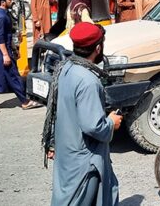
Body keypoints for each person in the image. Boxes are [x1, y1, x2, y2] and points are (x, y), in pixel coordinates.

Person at [44, 22, 122, 205]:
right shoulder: (88, 80)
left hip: (67, 154)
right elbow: (93, 126)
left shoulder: (65, 68)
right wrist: (112, 122)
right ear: (98, 47)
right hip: (83, 160)